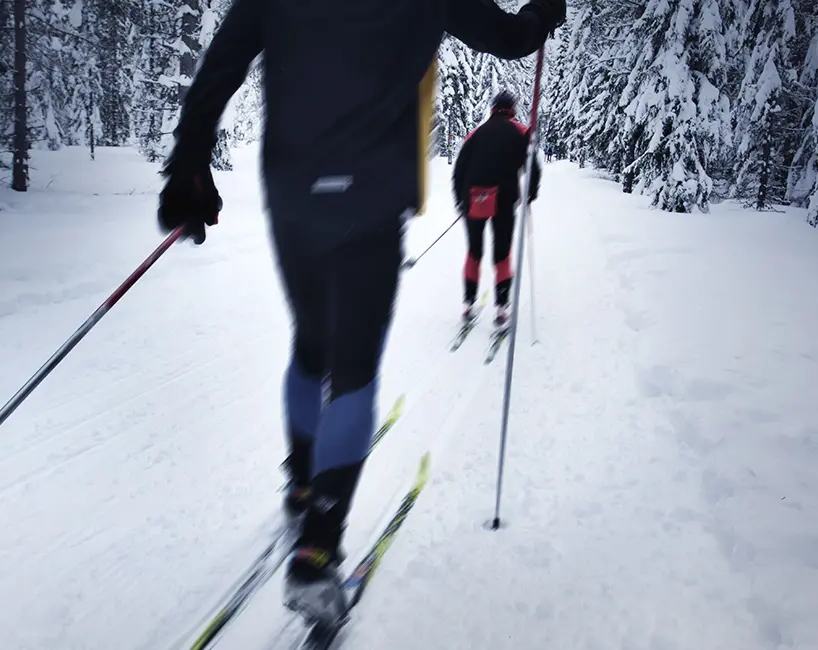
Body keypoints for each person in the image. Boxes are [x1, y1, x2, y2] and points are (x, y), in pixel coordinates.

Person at [156, 0, 565, 625]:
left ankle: (300, 480)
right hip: (371, 198)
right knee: (353, 370)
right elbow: (508, 37)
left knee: (311, 341)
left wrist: (186, 170)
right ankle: (317, 550)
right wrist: (543, 13)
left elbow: (220, 70)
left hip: (293, 194)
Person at [452, 90, 542, 330]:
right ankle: (502, 308)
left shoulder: (476, 133)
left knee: (474, 252)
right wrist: (531, 193)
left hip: (474, 198)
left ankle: (468, 304)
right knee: (502, 254)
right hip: (504, 198)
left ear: (492, 109)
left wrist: (459, 200)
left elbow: (459, 170)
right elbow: (533, 166)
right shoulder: (521, 132)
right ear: (511, 110)